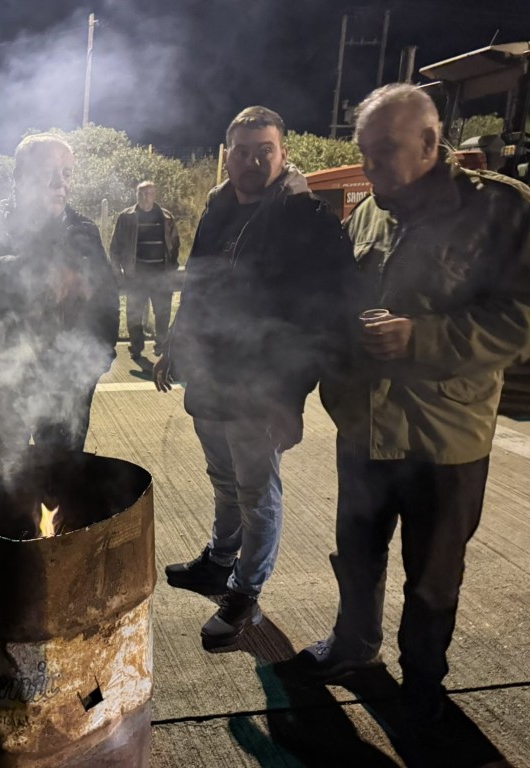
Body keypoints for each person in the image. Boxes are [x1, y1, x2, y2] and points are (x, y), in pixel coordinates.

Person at [295, 84, 530, 728]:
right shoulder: (369, 210)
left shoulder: (500, 211)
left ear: (432, 143)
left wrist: (420, 337)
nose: (370, 167)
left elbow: (520, 321)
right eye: (364, 152)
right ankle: (353, 646)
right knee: (356, 552)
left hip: (443, 436)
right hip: (366, 426)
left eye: (385, 151)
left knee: (432, 577)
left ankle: (424, 681)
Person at [155, 106, 354, 650]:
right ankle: (220, 561)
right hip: (211, 374)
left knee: (256, 491)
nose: (252, 160)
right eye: (241, 151)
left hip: (263, 387)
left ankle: (246, 591)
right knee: (223, 481)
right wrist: (175, 344)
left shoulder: (305, 217)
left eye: (264, 149)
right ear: (227, 155)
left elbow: (318, 319)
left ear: (283, 153)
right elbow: (198, 284)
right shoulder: (219, 206)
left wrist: (290, 397)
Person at [0, 134, 118, 458]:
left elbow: (108, 300)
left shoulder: (83, 231)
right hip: (4, 381)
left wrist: (97, 362)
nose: (60, 183)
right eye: (48, 171)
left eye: (67, 173)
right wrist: (36, 271)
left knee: (59, 483)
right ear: (20, 176)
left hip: (67, 382)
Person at [109, 181, 181, 357]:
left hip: (160, 275)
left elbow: (175, 245)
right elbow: (115, 247)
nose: (144, 197)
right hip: (136, 275)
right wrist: (118, 270)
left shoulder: (166, 218)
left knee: (162, 313)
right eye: (140, 194)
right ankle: (136, 347)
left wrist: (171, 269)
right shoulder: (126, 217)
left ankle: (161, 346)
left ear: (154, 195)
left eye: (148, 193)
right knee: (134, 314)